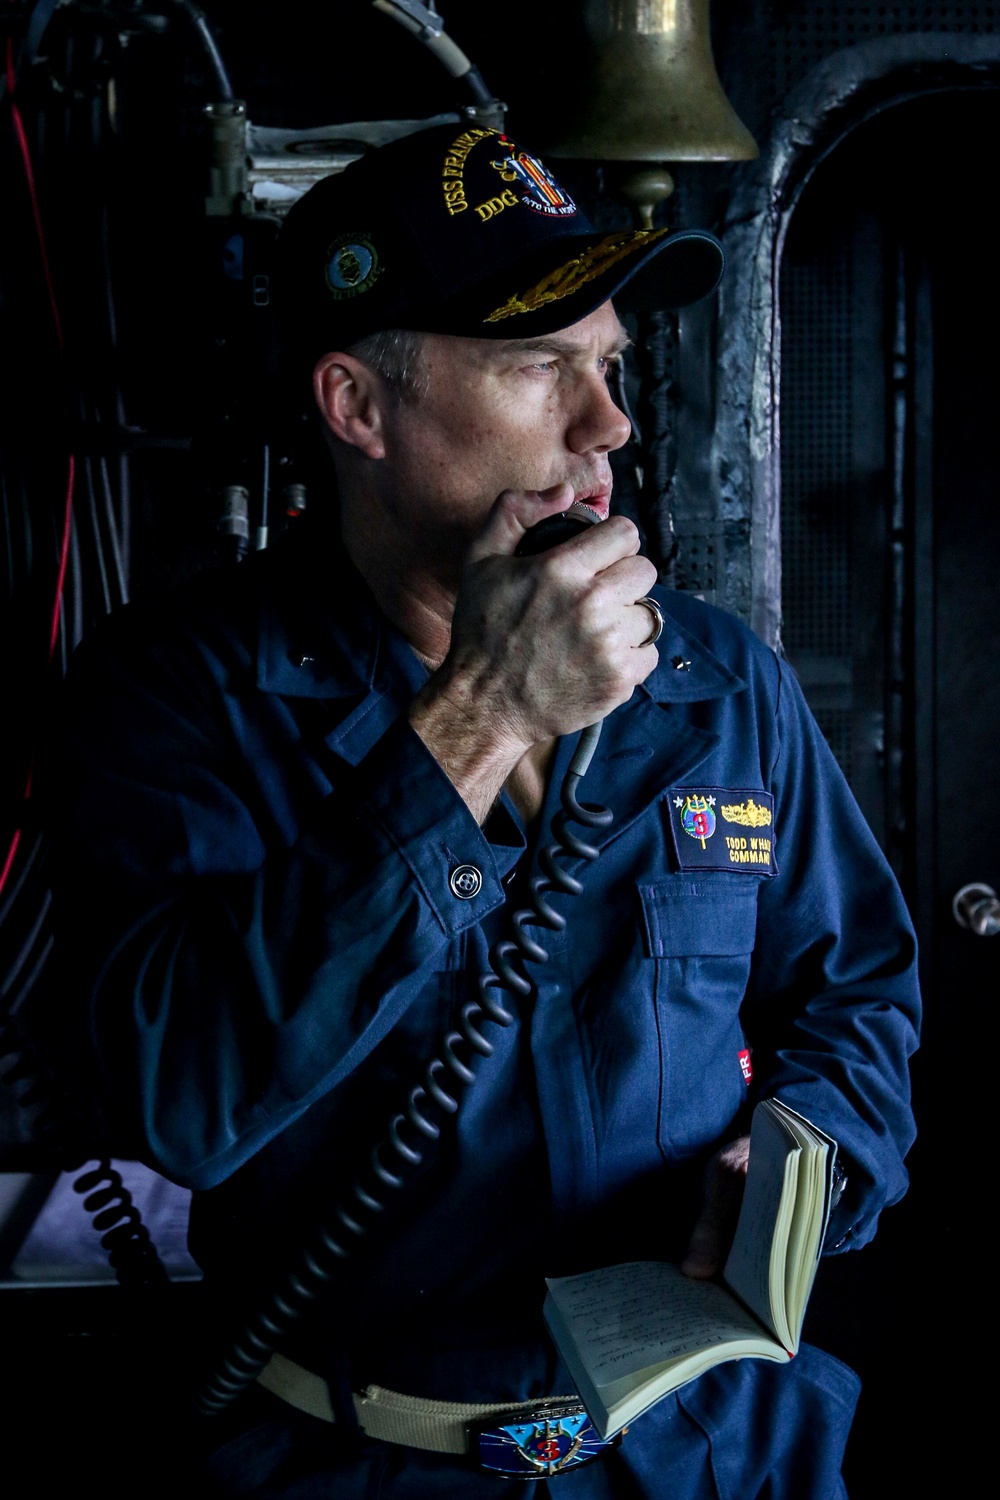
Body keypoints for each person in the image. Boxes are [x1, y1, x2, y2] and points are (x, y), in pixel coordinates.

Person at [47, 123, 920, 1497]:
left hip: (708, 1451)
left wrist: (808, 1161)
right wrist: (484, 714)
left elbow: (859, 988)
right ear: (359, 408)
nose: (609, 425)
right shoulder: (177, 701)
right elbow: (179, 1102)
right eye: (539, 367)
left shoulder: (713, 681)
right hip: (355, 1461)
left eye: (611, 367)